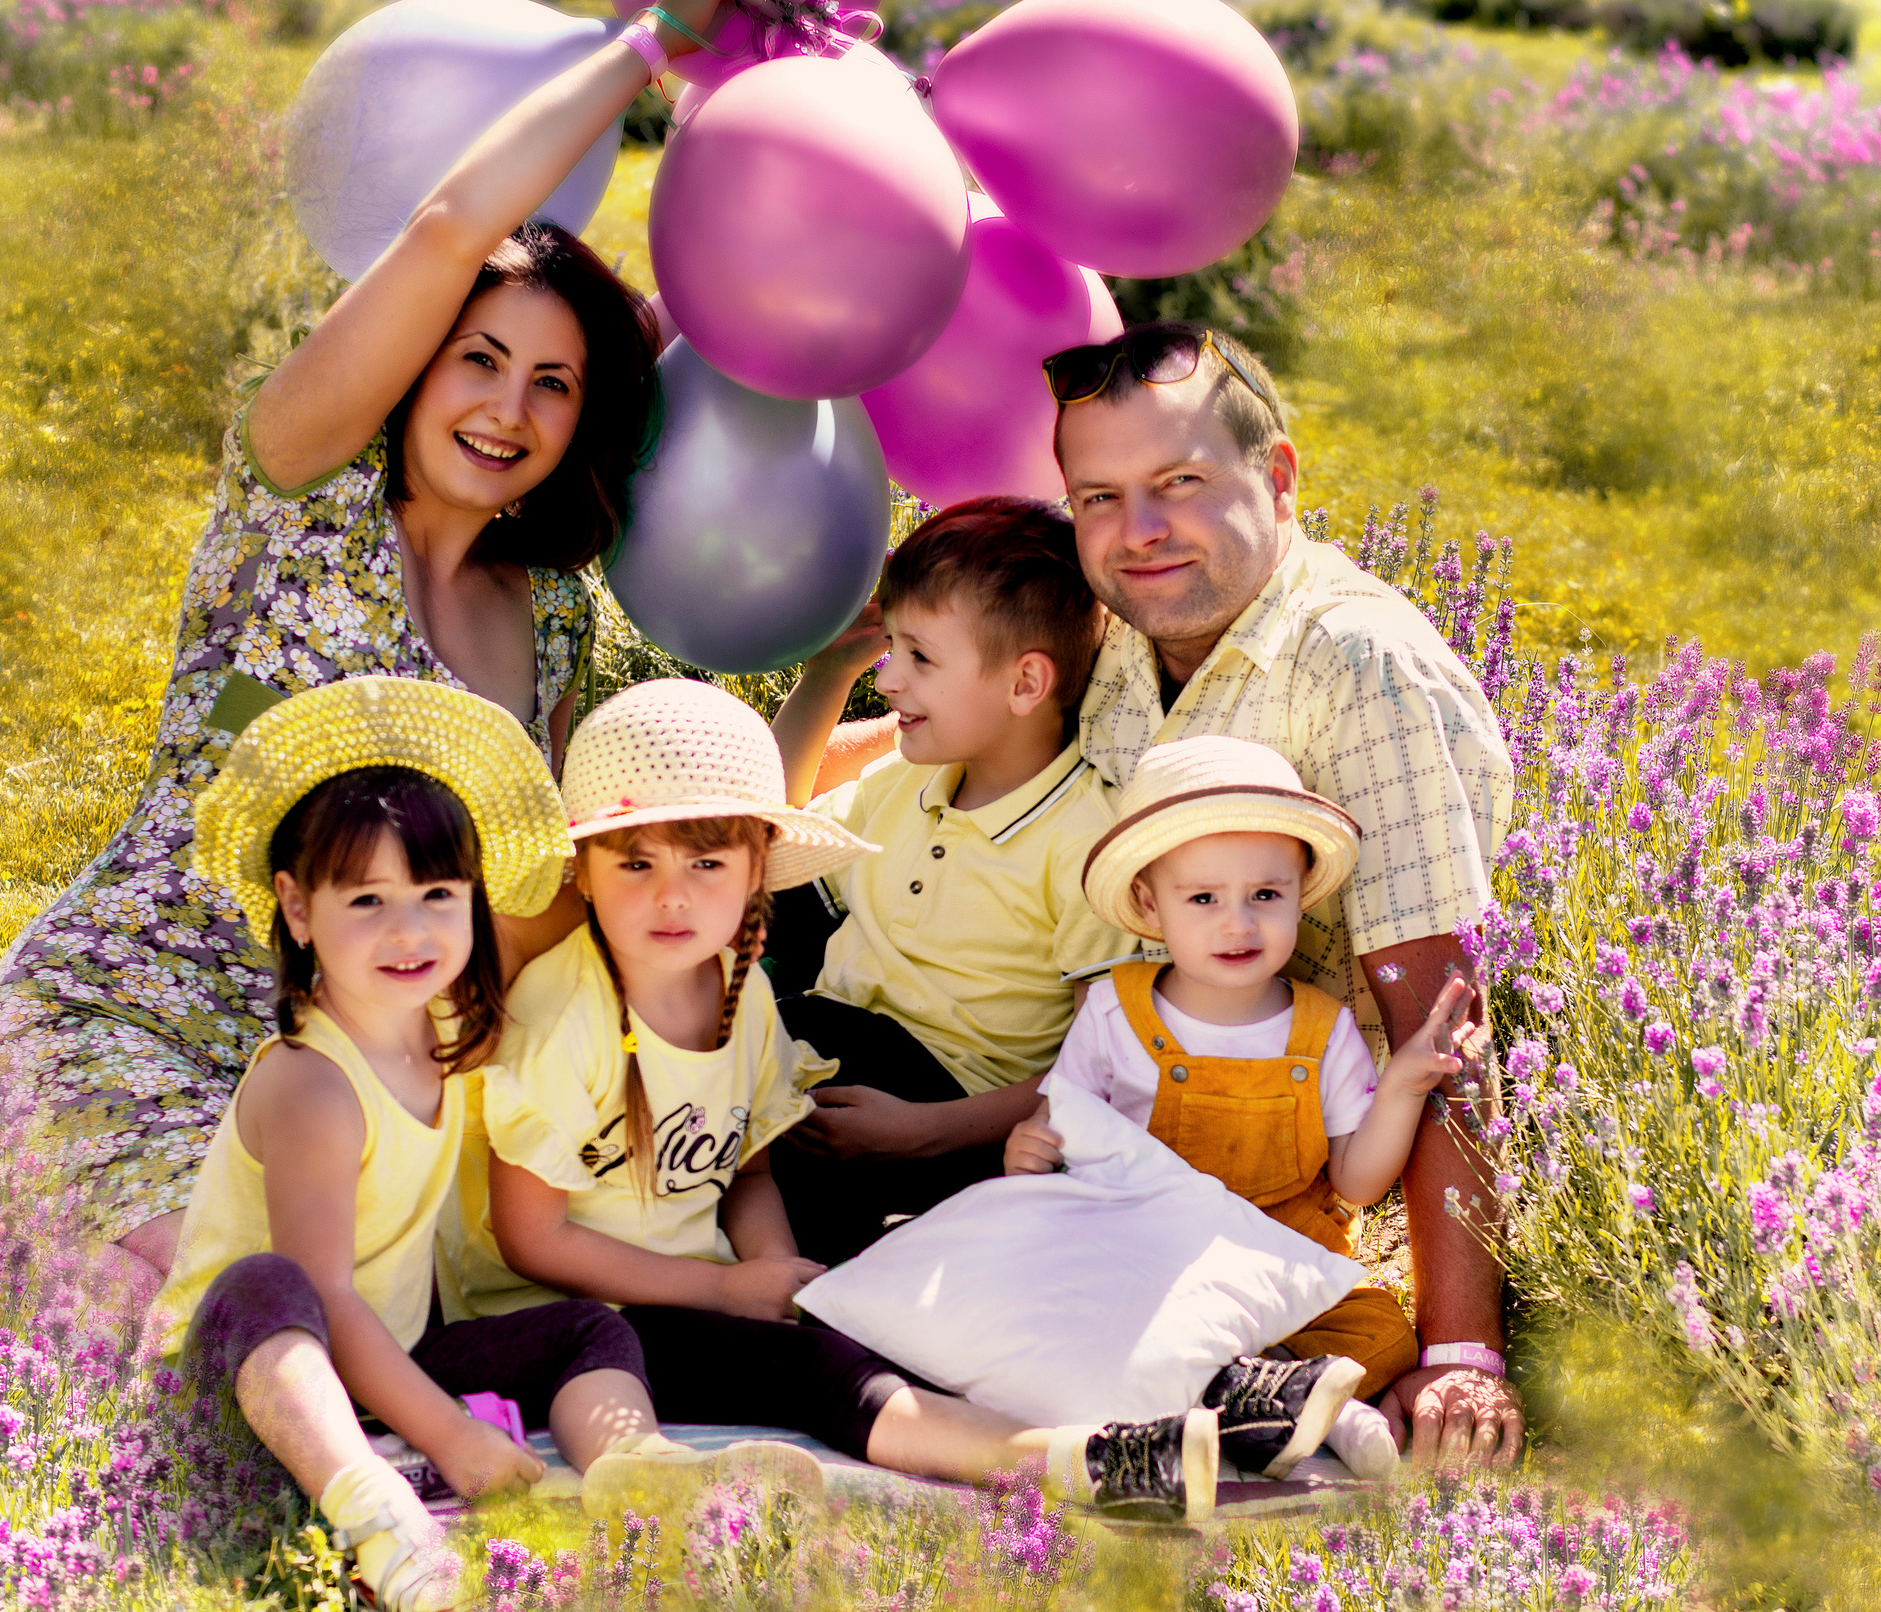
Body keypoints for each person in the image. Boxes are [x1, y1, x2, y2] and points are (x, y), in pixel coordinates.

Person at [0, 0, 813, 1291]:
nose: (507, 409)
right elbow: (448, 228)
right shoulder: (302, 492)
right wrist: (659, 39)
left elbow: (562, 884)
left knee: (335, 1330)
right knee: (227, 1317)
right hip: (125, 1012)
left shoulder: (551, 615)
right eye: (479, 358)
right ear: (416, 361)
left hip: (369, 1086)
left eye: (554, 383)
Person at [437, 679, 1325, 1522]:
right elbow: (531, 1239)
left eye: (707, 862)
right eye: (635, 862)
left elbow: (748, 1171)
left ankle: (1213, 1388)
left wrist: (779, 1275)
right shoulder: (564, 1017)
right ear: (583, 872)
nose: (672, 897)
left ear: (755, 873)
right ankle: (1076, 1461)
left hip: (699, 1281)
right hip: (579, 1320)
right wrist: (728, 1289)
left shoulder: (737, 986)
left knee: (911, 1278)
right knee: (816, 1368)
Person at [1048, 321, 1524, 1468]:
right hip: (1126, 1133)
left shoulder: (1358, 667)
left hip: (1296, 1173)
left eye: (1180, 483)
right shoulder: (1132, 634)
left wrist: (1461, 1351)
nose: (1138, 530)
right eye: (1099, 497)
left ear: (1278, 477)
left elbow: (1442, 1022)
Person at [153, 677, 685, 1612]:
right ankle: (378, 1520)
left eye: (439, 893)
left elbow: (582, 915)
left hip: (382, 1364)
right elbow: (326, 1297)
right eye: (367, 900)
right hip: (255, 1391)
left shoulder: (443, 1026)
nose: (409, 931)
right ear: (297, 907)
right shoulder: (313, 1084)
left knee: (588, 1327)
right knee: (269, 1283)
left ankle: (636, 1475)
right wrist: (451, 1435)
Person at [1004, 735, 1487, 1478]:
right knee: (1050, 1300)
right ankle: (1298, 1402)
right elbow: (1061, 1128)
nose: (1238, 923)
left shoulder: (1320, 1029)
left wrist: (1403, 1086)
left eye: (1265, 895)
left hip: (1281, 1261)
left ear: (1300, 891)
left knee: (1381, 1331)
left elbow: (1356, 1181)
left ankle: (1253, 1391)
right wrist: (1031, 1151)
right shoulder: (1113, 1012)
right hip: (1149, 1255)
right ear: (1149, 903)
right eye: (1204, 898)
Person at [760, 497, 1131, 1264]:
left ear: (1025, 684)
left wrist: (921, 1133)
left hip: (950, 1113)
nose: (889, 679)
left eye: (920, 658)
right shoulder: (904, 781)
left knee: (832, 1246)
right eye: (891, 648)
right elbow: (754, 845)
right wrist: (828, 674)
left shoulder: (1086, 842)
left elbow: (1102, 1064)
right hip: (814, 1049)